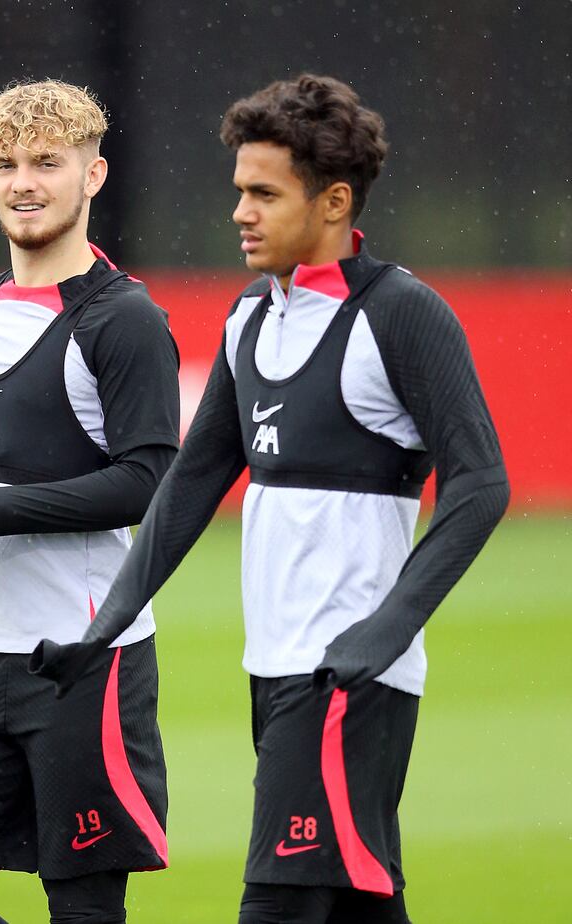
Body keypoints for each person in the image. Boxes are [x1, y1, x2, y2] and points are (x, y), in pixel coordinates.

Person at [30, 73, 511, 924]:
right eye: (238, 190)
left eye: (262, 193)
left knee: (276, 904)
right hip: (276, 671)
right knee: (357, 903)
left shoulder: (400, 314)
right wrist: (103, 628)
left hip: (345, 682)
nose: (240, 212)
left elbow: (481, 485)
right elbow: (193, 479)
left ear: (332, 202)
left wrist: (386, 627)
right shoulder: (251, 315)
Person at [0, 80, 180, 924]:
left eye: (47, 163)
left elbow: (147, 480)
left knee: (82, 909)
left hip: (85, 662)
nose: (23, 182)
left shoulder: (124, 319)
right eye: (4, 163)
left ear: (92, 176)